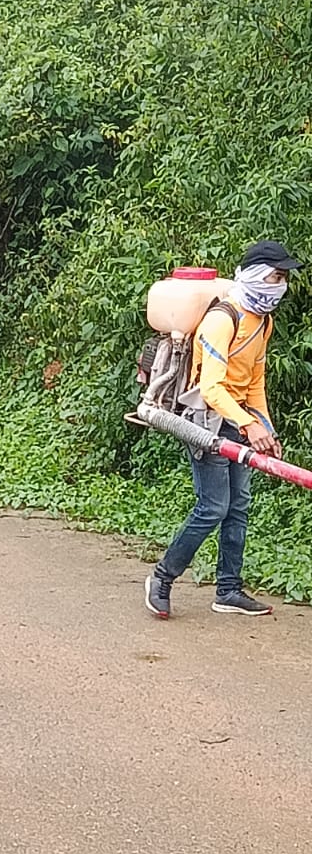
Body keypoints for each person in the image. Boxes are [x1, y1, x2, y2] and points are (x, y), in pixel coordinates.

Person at [146, 239, 301, 619]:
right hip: (207, 421)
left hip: (239, 422)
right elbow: (212, 388)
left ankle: (228, 590)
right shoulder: (222, 320)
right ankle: (162, 578)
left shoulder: (263, 321)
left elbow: (255, 381)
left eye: (283, 278)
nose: (280, 286)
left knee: (238, 506)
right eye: (275, 276)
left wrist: (264, 427)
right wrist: (248, 424)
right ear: (254, 275)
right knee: (213, 506)